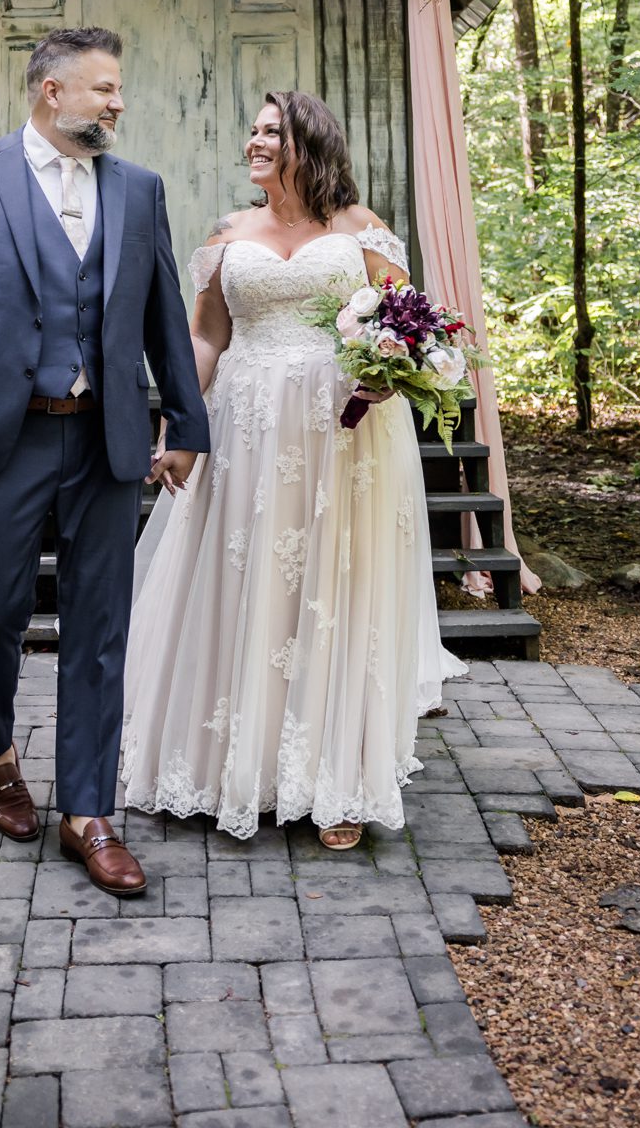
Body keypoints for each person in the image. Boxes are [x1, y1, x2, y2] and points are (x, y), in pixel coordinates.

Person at [0, 26, 208, 896]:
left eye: (118, 89)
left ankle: (87, 811)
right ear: (51, 93)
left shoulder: (138, 190)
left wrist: (185, 420)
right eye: (103, 88)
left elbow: (162, 316)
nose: (117, 103)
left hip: (103, 439)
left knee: (100, 629)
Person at [121, 90, 467, 850]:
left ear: (308, 142)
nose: (254, 142)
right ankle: (224, 768)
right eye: (252, 130)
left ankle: (336, 780)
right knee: (242, 586)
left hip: (340, 435)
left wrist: (395, 372)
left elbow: (410, 325)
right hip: (242, 430)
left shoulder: (360, 229)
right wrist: (178, 422)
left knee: (333, 593)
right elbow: (205, 337)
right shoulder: (228, 232)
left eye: (270, 131)